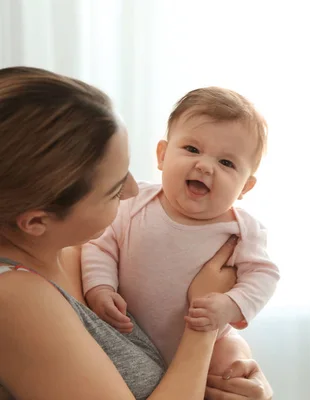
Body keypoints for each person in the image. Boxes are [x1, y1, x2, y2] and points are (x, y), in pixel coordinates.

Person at [0, 66, 273, 399]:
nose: (133, 191)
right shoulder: (16, 298)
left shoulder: (69, 250)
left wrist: (239, 379)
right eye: (114, 188)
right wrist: (202, 327)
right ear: (35, 222)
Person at [81, 87, 280, 375]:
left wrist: (229, 305)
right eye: (192, 149)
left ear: (245, 187)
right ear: (162, 155)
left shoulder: (241, 229)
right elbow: (101, 245)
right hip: (130, 336)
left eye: (226, 163)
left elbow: (264, 276)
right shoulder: (135, 203)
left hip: (208, 346)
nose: (204, 166)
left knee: (232, 370)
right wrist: (100, 287)